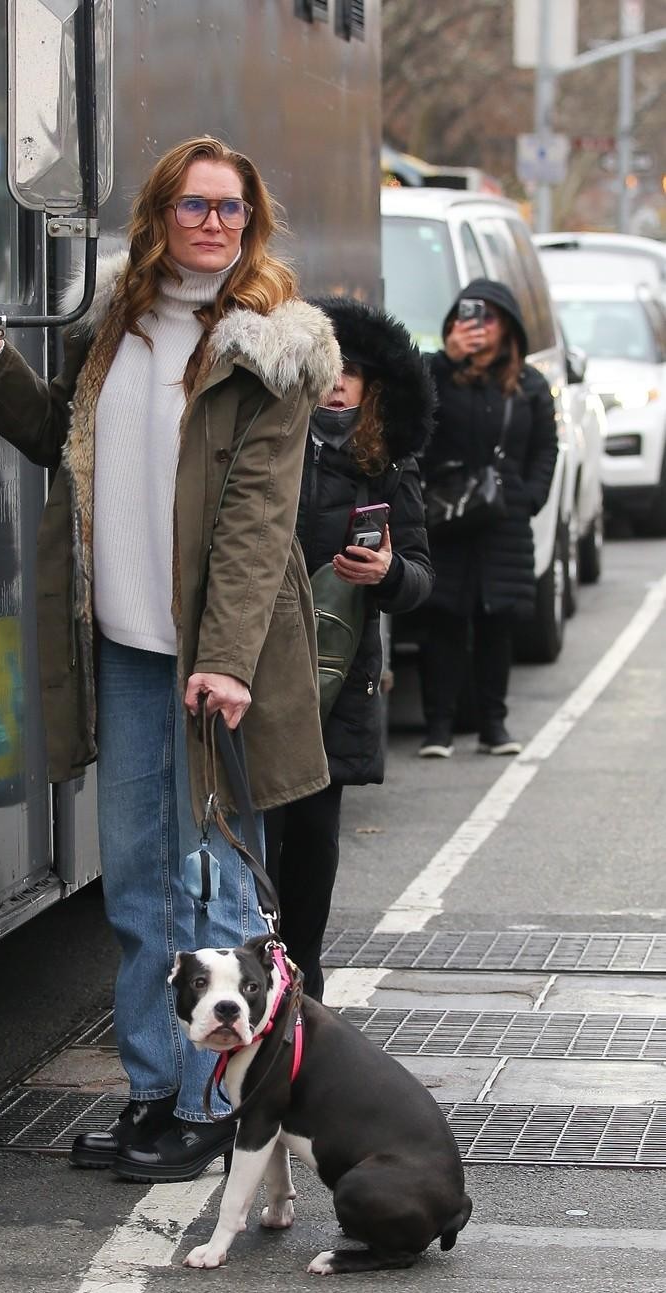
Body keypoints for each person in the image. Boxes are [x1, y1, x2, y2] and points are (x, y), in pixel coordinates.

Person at [0, 136, 339, 1182]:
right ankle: (158, 1090)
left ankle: (222, 1104)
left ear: (250, 226)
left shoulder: (271, 349)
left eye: (233, 211)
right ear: (160, 213)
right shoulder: (116, 323)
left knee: (211, 891)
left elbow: (260, 521)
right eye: (196, 206)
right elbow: (56, 439)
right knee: (136, 888)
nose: (215, 225)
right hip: (124, 647)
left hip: (217, 663)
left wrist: (223, 659)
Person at [264, 299, 435, 1001]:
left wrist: (388, 573)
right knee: (251, 838)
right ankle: (250, 976)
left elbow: (421, 579)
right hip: (256, 668)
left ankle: (301, 988)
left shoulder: (386, 470)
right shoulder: (265, 445)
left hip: (333, 684)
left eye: (352, 374)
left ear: (371, 389)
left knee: (310, 843)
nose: (337, 384)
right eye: (327, 369)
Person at [417, 279, 558, 759]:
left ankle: (494, 725)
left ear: (509, 327)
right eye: (467, 316)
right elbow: (413, 420)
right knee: (444, 619)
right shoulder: (438, 373)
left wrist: (531, 496)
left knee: (498, 622)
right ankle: (438, 727)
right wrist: (446, 358)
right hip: (449, 516)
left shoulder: (529, 385)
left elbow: (545, 448)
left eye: (489, 317)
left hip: (504, 521)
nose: (477, 326)